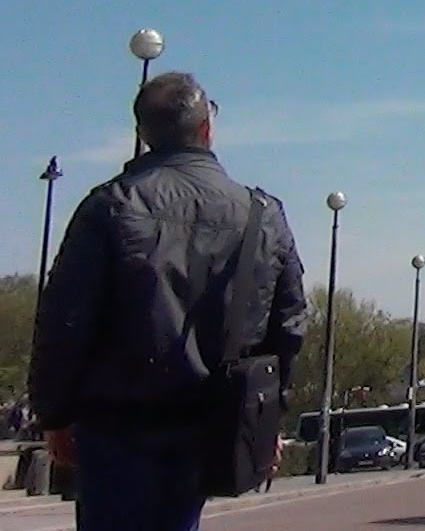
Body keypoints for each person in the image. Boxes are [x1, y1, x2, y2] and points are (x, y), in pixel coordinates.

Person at [30, 72, 307, 530]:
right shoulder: (261, 215)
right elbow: (289, 324)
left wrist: (54, 412)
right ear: (206, 129)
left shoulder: (109, 206)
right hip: (209, 422)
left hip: (116, 424)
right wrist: (268, 415)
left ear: (142, 135)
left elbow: (65, 321)